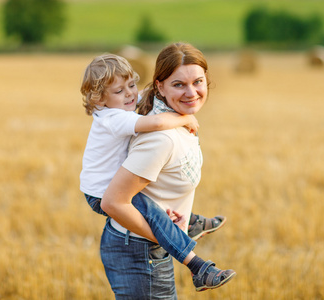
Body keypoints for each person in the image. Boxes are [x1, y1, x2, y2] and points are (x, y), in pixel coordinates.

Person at [100, 43, 236, 299]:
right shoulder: (161, 139)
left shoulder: (175, 120)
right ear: (160, 86)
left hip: (146, 246)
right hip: (140, 251)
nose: (191, 92)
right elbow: (113, 202)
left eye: (198, 81)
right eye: (179, 84)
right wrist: (169, 237)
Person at [80, 54, 226, 241]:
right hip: (100, 193)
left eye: (132, 85)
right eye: (119, 91)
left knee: (155, 206)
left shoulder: (118, 104)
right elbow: (156, 123)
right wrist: (185, 118)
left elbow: (142, 94)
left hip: (101, 186)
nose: (130, 94)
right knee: (154, 214)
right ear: (100, 99)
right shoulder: (114, 118)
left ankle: (188, 221)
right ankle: (179, 243)